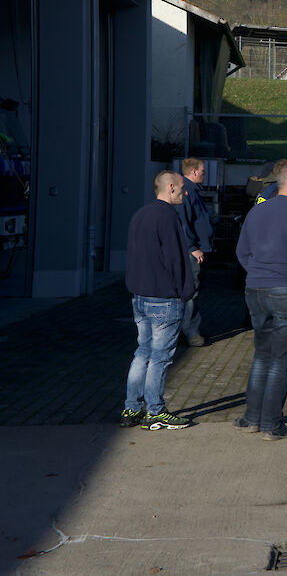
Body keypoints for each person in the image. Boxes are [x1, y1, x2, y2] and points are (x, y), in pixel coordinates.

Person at [235, 161, 287, 439]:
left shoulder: (257, 211)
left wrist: (260, 273)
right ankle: (271, 424)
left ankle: (252, 418)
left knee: (263, 356)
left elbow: (242, 251)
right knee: (283, 361)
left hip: (257, 289)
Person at [121, 171, 194, 431]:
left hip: (140, 296)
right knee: (160, 357)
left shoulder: (140, 214)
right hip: (164, 298)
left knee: (143, 352)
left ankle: (132, 406)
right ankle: (155, 410)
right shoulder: (168, 217)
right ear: (171, 187)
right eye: (183, 188)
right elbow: (177, 260)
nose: (186, 193)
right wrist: (186, 291)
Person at [176, 157, 212, 348]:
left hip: (198, 249)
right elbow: (183, 223)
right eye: (203, 171)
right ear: (195, 171)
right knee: (191, 292)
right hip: (193, 252)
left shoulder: (192, 191)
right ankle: (190, 332)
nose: (204, 174)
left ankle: (190, 329)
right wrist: (192, 247)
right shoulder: (187, 191)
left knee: (193, 291)